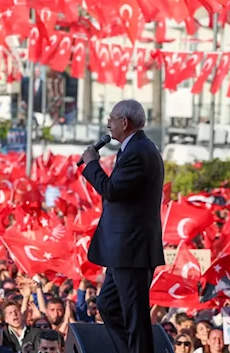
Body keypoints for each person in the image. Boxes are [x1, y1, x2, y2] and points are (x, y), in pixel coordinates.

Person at [80, 99, 165, 353]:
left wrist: (92, 163)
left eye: (112, 119)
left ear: (124, 122)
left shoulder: (139, 151)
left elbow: (112, 190)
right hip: (122, 251)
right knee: (107, 304)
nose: (109, 124)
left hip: (132, 250)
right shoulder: (133, 149)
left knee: (135, 316)